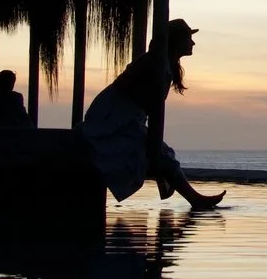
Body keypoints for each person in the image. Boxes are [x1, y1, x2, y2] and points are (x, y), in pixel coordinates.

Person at [80, 18, 223, 210]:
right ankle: (195, 199)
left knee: (163, 153)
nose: (193, 43)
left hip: (128, 116)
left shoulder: (165, 64)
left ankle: (194, 198)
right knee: (159, 154)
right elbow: (128, 86)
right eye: (189, 38)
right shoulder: (155, 62)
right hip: (115, 116)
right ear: (177, 40)